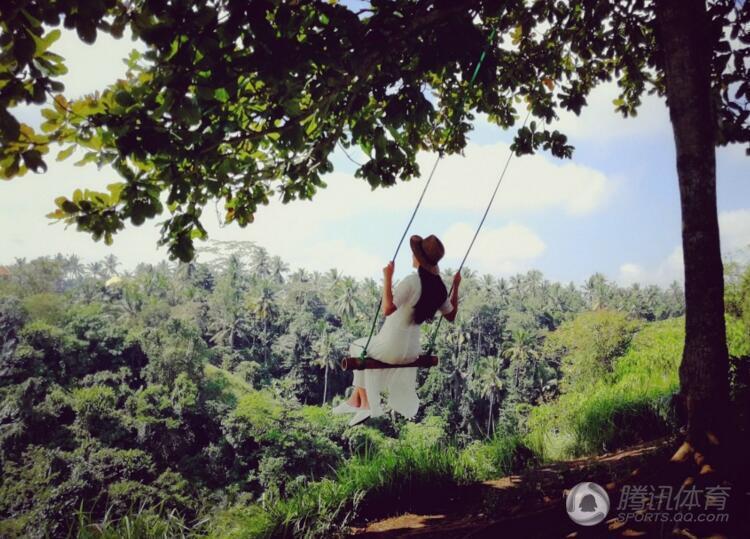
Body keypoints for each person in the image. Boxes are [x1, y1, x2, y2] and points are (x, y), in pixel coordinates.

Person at [332, 234, 461, 426]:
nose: (412, 255)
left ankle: (366, 404)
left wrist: (387, 277)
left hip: (390, 347)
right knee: (362, 348)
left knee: (357, 347)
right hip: (411, 353)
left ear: (419, 258)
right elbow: (450, 316)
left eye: (414, 253)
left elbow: (387, 309)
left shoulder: (411, 281)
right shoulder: (438, 287)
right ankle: (355, 401)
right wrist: (456, 286)